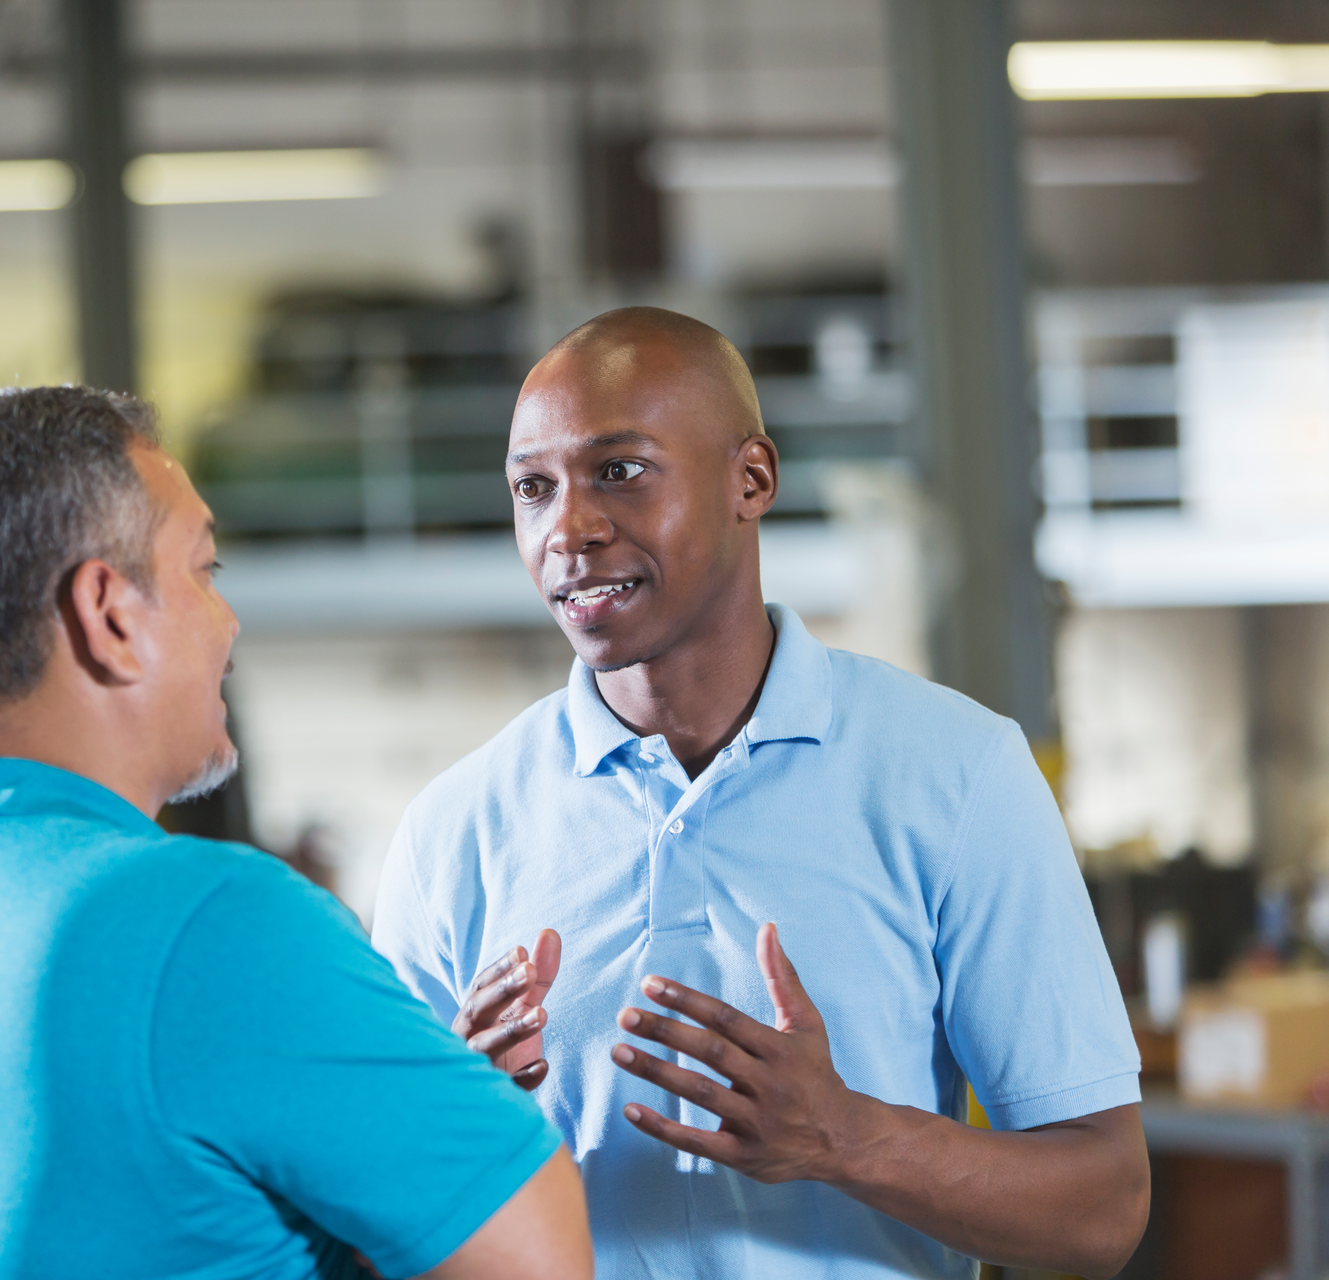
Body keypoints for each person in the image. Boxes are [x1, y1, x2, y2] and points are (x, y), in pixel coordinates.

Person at [371, 309, 1149, 1280]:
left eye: (618, 470)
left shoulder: (957, 775)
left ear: (753, 479)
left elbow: (1103, 1208)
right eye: (534, 487)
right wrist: (445, 1140)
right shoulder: (454, 828)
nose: (568, 527)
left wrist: (848, 1138)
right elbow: (367, 1229)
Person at [0, 386, 592, 1280]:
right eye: (204, 570)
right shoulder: (212, 920)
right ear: (110, 615)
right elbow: (541, 1264)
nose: (227, 621)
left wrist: (394, 1112)